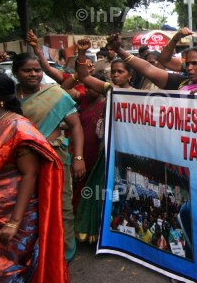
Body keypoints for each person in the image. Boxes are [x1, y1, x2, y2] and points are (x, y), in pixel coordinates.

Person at [0, 50, 86, 262]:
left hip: (51, 157)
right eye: (27, 70)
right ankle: (30, 252)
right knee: (29, 206)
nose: (33, 74)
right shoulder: (4, 96)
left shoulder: (56, 94)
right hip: (15, 161)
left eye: (37, 70)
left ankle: (62, 253)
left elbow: (76, 125)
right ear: (16, 73)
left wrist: (78, 158)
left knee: (60, 204)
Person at [73, 38, 134, 243]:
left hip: (128, 152)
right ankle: (99, 235)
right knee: (102, 195)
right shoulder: (109, 90)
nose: (115, 75)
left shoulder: (141, 96)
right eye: (113, 72)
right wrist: (82, 54)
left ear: (130, 75)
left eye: (121, 72)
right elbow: (83, 76)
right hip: (106, 151)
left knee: (124, 197)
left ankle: (122, 238)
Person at [107, 34, 197, 94]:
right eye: (187, 63)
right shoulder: (180, 82)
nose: (189, 68)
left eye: (195, 63)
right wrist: (119, 50)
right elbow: (148, 69)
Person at [61, 73, 107, 212]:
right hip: (82, 152)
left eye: (91, 87)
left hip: (97, 155)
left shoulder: (108, 104)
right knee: (80, 187)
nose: (86, 90)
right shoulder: (85, 100)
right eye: (85, 87)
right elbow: (64, 88)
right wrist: (77, 75)